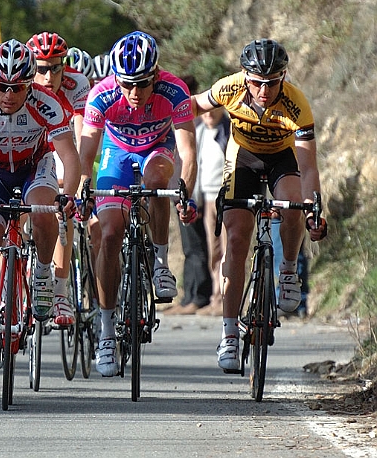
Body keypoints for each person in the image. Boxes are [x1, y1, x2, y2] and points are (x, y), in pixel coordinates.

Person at [191, 38, 328, 373]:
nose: (264, 90)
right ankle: (229, 334)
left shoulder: (296, 104)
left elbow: (308, 167)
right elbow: (192, 106)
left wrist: (313, 208)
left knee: (293, 203)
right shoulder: (229, 89)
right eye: (256, 82)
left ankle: (289, 271)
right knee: (236, 239)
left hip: (282, 158)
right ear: (244, 74)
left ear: (284, 77)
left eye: (272, 82)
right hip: (243, 158)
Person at [0, 39, 80, 380]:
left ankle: (43, 275)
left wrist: (67, 193)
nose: (8, 95)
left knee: (42, 209)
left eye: (17, 87)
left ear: (29, 84)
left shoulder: (46, 103)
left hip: (34, 165)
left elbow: (69, 156)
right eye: (1, 86)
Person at [77, 31, 197, 377]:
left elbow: (188, 153)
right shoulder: (102, 94)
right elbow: (87, 154)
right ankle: (105, 330)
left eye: (142, 83)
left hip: (157, 150)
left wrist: (184, 191)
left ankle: (160, 263)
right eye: (126, 83)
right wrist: (85, 189)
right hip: (116, 155)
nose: (133, 92)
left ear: (156, 74)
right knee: (110, 233)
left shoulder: (174, 91)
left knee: (158, 180)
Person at [25, 32, 91, 327]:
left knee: (64, 213)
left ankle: (61, 293)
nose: (48, 75)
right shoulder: (20, 86)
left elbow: (81, 133)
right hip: (31, 149)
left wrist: (74, 180)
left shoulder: (76, 84)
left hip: (62, 149)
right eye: (41, 68)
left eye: (55, 67)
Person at [166, 76, 230, 315]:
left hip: (213, 197)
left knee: (211, 248)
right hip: (193, 195)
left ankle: (208, 297)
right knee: (199, 249)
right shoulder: (195, 130)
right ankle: (197, 297)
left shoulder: (225, 131)